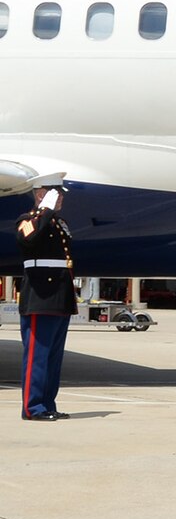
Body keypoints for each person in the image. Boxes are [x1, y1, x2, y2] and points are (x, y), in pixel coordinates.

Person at [16, 172, 78, 422]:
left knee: (53, 357)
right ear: (41, 194)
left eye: (61, 193)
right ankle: (33, 408)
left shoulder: (59, 223)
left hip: (59, 296)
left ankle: (48, 403)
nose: (60, 198)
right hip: (41, 295)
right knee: (37, 356)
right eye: (55, 193)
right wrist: (45, 211)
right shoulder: (28, 219)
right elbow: (28, 240)